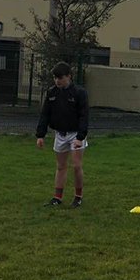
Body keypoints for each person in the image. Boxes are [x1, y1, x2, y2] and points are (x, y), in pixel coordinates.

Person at [35, 62, 90, 207]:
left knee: (77, 166)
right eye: (55, 78)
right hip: (60, 134)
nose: (57, 81)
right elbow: (45, 114)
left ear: (69, 77)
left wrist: (80, 137)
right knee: (60, 166)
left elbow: (84, 116)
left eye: (60, 78)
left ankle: (78, 196)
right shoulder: (52, 93)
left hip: (75, 134)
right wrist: (40, 135)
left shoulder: (79, 93)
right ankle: (57, 198)